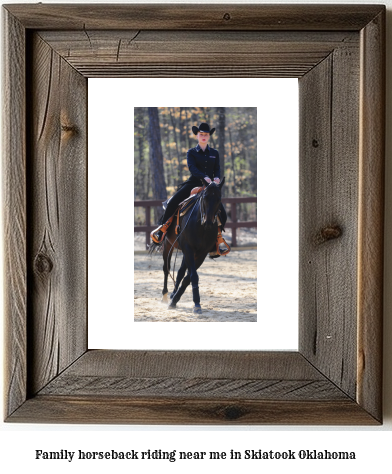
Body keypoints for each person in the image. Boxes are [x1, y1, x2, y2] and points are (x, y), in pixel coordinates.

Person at [151, 122, 228, 257]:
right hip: (193, 183)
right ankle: (162, 230)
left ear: (209, 136)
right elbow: (192, 168)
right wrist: (204, 177)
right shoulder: (191, 152)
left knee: (222, 213)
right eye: (201, 134)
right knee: (173, 202)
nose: (203, 136)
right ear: (197, 136)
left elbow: (217, 168)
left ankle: (217, 241)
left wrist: (216, 178)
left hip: (210, 187)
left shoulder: (214, 153)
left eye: (206, 134)